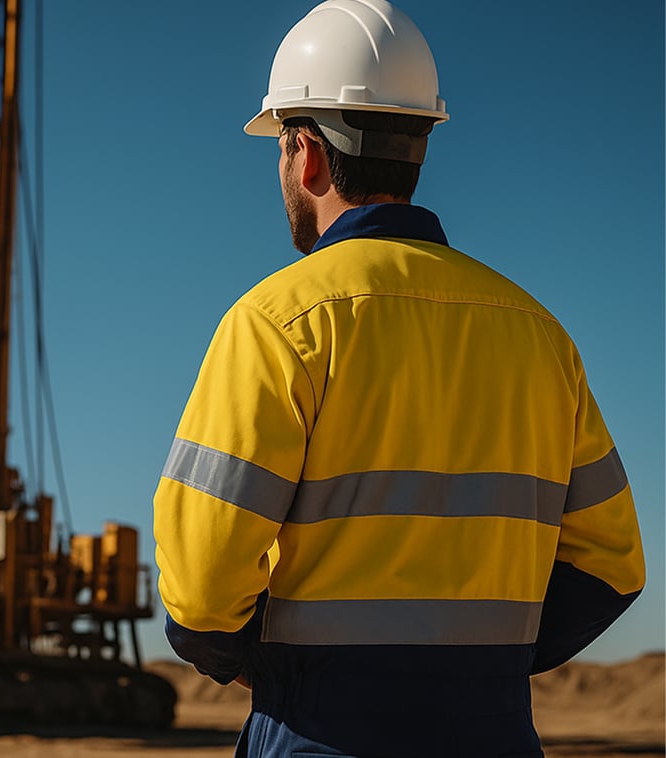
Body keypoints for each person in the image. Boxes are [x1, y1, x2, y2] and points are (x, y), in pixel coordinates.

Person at [152, 1, 645, 756]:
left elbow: (200, 585)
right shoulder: (542, 336)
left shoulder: (278, 323)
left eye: (281, 151)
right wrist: (482, 669)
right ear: (416, 147)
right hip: (495, 734)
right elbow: (614, 566)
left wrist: (268, 666)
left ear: (306, 154)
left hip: (321, 732)